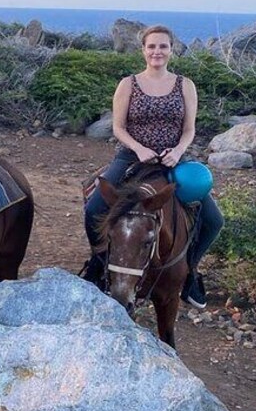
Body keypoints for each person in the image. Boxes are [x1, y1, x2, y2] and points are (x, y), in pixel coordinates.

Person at [81, 24, 223, 308]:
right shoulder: (128, 84)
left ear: (171, 49)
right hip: (132, 157)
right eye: (152, 46)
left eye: (163, 46)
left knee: (213, 219)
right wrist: (139, 148)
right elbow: (119, 128)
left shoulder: (185, 85)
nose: (157, 51)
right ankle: (99, 265)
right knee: (95, 207)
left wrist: (178, 151)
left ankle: (190, 273)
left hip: (173, 159)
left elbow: (189, 129)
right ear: (143, 50)